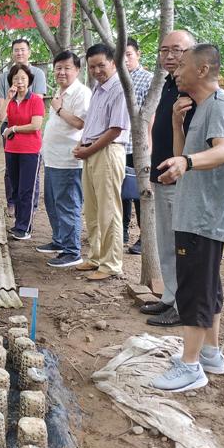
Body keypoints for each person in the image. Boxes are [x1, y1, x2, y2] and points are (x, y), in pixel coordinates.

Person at [152, 44, 224, 392]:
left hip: (203, 215)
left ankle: (190, 367)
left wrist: (187, 163)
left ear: (202, 70)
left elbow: (223, 151)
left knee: (193, 288)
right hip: (196, 210)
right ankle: (210, 353)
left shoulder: (220, 105)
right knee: (208, 285)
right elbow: (182, 157)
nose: (176, 70)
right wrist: (177, 125)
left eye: (183, 64)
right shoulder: (201, 107)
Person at [140, 30, 197, 328]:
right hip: (161, 173)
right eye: (164, 51)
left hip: (181, 178)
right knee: (165, 241)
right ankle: (169, 296)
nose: (170, 56)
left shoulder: (192, 89)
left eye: (177, 50)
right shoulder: (167, 84)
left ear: (193, 53)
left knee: (181, 245)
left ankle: (182, 305)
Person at [73, 43, 129, 281]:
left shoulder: (120, 88)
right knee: (93, 209)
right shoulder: (98, 88)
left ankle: (111, 263)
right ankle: (96, 257)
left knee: (109, 210)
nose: (97, 70)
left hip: (107, 152)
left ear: (113, 63)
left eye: (101, 65)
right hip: (91, 152)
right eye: (92, 66)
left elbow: (115, 129)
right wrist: (83, 146)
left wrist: (89, 149)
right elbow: (93, 125)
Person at [37, 51, 91, 267]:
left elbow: (80, 123)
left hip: (68, 160)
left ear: (77, 70)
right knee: (52, 202)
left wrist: (58, 108)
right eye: (58, 68)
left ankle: (72, 251)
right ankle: (59, 240)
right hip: (52, 158)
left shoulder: (81, 93)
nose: (62, 72)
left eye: (67, 68)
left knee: (68, 204)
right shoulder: (61, 91)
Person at [0, 39, 47, 217]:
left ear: (29, 52)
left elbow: (37, 101)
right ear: (12, 53)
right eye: (16, 50)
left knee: (31, 170)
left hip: (29, 126)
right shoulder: (5, 76)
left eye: (23, 50)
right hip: (8, 127)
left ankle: (30, 206)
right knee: (10, 168)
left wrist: (19, 124)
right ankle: (12, 203)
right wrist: (11, 119)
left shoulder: (38, 73)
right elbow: (2, 104)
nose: (19, 53)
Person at [123, 37, 154, 254]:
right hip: (119, 145)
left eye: (128, 55)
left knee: (140, 192)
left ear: (138, 55)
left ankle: (145, 237)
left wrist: (148, 145)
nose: (124, 60)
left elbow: (151, 114)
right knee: (120, 190)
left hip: (139, 147)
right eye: (120, 56)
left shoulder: (147, 79)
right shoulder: (117, 79)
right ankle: (121, 231)